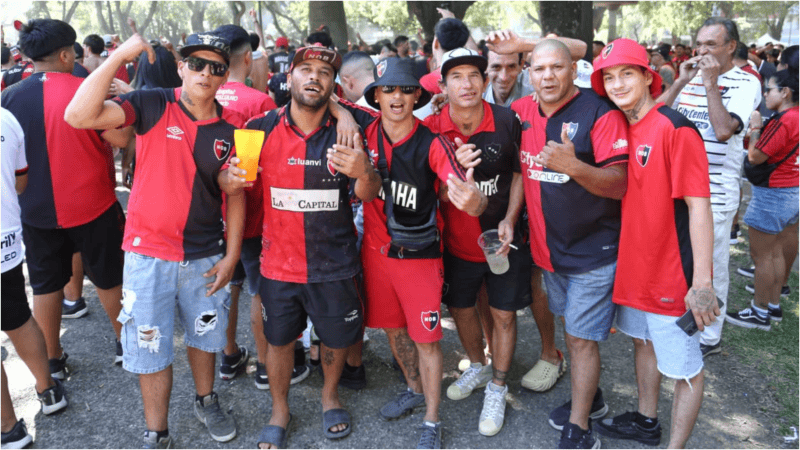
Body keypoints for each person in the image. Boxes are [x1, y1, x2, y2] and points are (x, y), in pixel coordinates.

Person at [65, 32, 245, 447]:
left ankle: (206, 400)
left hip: (204, 255)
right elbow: (77, 115)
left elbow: (236, 194)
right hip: (147, 256)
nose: (205, 73)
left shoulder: (234, 125)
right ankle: (156, 431)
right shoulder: (152, 102)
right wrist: (118, 55)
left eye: (215, 67)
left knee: (205, 337)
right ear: (181, 68)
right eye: (195, 64)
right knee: (150, 348)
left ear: (224, 76)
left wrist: (233, 254)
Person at [222, 45, 379, 449]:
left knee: (336, 338)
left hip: (335, 262)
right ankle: (280, 410)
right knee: (278, 342)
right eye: (305, 69)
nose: (314, 77)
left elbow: (371, 189)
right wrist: (228, 185)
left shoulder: (355, 126)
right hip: (278, 264)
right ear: (288, 76)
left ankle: (330, 397)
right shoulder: (258, 128)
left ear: (334, 83)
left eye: (324, 72)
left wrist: (363, 168)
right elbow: (234, 187)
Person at [338, 56, 486, 449]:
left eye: (406, 89)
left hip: (419, 256)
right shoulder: (366, 130)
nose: (397, 96)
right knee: (393, 328)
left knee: (427, 340)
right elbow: (329, 99)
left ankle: (432, 419)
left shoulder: (432, 143)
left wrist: (472, 200)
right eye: (388, 89)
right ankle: (414, 389)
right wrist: (344, 116)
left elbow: (462, 187)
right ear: (375, 95)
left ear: (417, 95)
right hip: (376, 254)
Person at [590, 38, 717, 449]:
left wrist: (702, 283)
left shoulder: (676, 129)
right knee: (642, 342)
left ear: (647, 76)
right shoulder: (622, 125)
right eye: (609, 77)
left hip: (671, 274)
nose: (618, 84)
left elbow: (699, 207)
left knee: (685, 371)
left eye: (627, 73)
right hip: (635, 267)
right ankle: (647, 422)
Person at [509, 39, 630, 449]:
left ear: (574, 70)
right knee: (571, 329)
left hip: (594, 253)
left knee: (580, 339)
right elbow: (519, 170)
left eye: (557, 67)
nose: (548, 77)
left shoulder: (600, 112)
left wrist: (573, 166)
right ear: (529, 74)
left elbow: (620, 184)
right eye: (539, 69)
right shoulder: (522, 111)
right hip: (549, 253)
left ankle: (579, 429)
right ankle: (591, 399)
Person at [1, 18, 128, 380]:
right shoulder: (85, 91)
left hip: (35, 209)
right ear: (65, 54)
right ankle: (126, 345)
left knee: (45, 284)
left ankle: (52, 361)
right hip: (93, 203)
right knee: (110, 277)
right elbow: (121, 139)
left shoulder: (8, 99)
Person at [423, 48, 530, 437]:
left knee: (503, 316)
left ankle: (498, 388)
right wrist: (453, 175)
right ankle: (479, 366)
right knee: (461, 309)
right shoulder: (432, 127)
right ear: (443, 86)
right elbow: (426, 187)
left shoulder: (506, 120)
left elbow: (518, 174)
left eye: (473, 76)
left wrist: (509, 219)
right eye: (456, 77)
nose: (466, 84)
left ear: (485, 81)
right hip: (455, 244)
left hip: (501, 240)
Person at [658, 17, 762, 357]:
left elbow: (722, 130)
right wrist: (680, 82)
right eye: (699, 44)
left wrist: (710, 83)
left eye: (711, 45)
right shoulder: (689, 78)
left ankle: (709, 337)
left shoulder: (746, 82)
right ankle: (683, 317)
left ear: (731, 47)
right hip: (676, 184)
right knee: (681, 257)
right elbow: (652, 119)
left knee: (712, 266)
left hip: (715, 190)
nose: (702, 51)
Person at [1, 107, 69, 449]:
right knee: (17, 316)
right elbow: (21, 182)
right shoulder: (7, 119)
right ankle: (48, 389)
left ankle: (8, 428)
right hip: (5, 238)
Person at [727, 70, 798, 331]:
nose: (765, 94)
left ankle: (759, 312)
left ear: (785, 93)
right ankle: (773, 305)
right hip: (791, 190)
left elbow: (756, 156)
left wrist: (755, 127)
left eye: (769, 89)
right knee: (776, 252)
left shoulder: (786, 120)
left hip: (773, 194)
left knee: (763, 256)